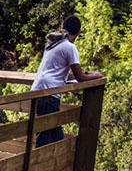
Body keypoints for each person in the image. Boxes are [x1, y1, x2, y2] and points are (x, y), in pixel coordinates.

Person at [30, 15, 103, 147]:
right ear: (79, 32)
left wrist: (88, 73)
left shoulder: (54, 43)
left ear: (63, 27)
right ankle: (36, 166)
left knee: (56, 136)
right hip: (49, 94)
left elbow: (65, 74)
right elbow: (80, 77)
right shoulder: (70, 47)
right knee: (45, 137)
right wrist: (96, 75)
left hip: (39, 90)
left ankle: (51, 166)